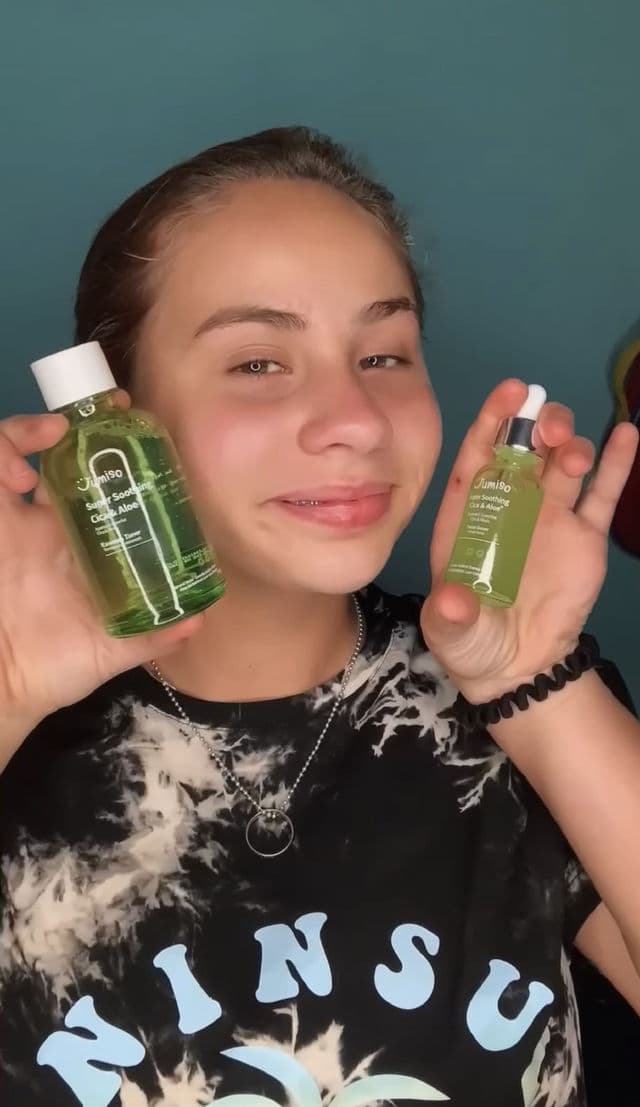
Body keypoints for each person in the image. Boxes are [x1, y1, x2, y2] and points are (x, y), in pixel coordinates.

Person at [0, 127, 638, 1107]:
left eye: (384, 354)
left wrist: (529, 678)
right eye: (258, 362)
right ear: (120, 417)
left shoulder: (525, 701)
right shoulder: (25, 740)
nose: (357, 419)